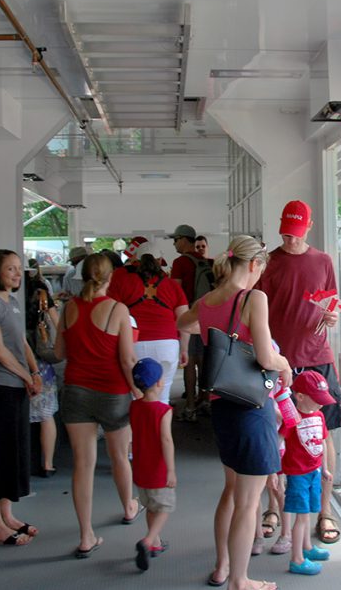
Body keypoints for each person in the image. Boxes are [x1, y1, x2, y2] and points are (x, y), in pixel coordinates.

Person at [177, 235, 292, 590]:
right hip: (251, 405)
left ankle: (223, 565)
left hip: (222, 404)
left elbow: (183, 323)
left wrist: (214, 334)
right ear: (255, 264)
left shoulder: (209, 299)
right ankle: (240, 580)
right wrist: (285, 363)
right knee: (247, 501)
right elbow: (264, 356)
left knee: (231, 491)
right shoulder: (253, 298)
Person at [256, 200, 341, 547]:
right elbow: (255, 312)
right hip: (277, 359)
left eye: (295, 233)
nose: (290, 240)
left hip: (316, 357)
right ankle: (274, 508)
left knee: (323, 433)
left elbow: (332, 305)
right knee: (274, 436)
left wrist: (332, 317)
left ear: (307, 228)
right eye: (285, 233)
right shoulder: (270, 262)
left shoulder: (322, 261)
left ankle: (325, 510)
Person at [53, 253, 141, 559]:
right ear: (110, 277)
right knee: (119, 457)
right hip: (113, 392)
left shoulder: (67, 308)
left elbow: (59, 353)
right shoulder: (118, 309)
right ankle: (129, 506)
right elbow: (128, 360)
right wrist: (136, 391)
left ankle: (86, 535)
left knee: (83, 465)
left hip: (76, 391)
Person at [0, 249, 43, 546]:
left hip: (17, 388)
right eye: (10, 270)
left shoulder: (13, 302)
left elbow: (22, 344)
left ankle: (8, 515)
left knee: (13, 454)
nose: (17, 274)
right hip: (0, 388)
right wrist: (27, 377)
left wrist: (35, 370)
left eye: (18, 269)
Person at [109, 252, 189, 406]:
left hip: (134, 343)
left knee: (136, 396)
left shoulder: (123, 281)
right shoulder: (171, 284)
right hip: (167, 344)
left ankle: (138, 429)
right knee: (163, 396)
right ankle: (161, 428)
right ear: (159, 263)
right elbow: (184, 319)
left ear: (135, 262)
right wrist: (184, 349)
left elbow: (113, 313)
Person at [280, 371, 335, 575]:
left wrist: (325, 468)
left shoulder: (319, 415)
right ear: (300, 396)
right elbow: (280, 441)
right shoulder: (292, 419)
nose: (321, 405)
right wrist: (277, 472)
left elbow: (322, 442)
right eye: (317, 400)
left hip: (314, 471)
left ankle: (307, 548)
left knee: (310, 512)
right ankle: (296, 559)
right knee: (301, 517)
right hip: (297, 474)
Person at [129, 357, 177, 572]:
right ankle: (148, 540)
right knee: (165, 507)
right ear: (159, 383)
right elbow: (166, 440)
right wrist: (171, 470)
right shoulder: (163, 410)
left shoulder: (134, 406)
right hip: (158, 470)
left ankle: (156, 542)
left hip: (140, 467)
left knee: (150, 506)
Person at [168, 223, 215, 421]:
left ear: (185, 239)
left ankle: (189, 407)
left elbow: (174, 292)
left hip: (188, 317)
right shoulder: (207, 262)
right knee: (205, 362)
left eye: (176, 239)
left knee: (189, 362)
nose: (174, 244)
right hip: (207, 318)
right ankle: (205, 400)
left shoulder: (180, 263)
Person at [25, 265, 60, 476]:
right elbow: (58, 326)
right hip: (42, 363)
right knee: (47, 417)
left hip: (19, 362)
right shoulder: (44, 297)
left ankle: (23, 461)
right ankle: (47, 464)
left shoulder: (11, 300)